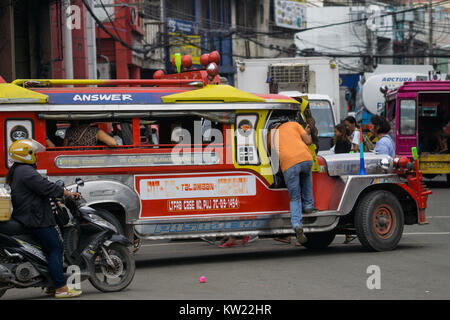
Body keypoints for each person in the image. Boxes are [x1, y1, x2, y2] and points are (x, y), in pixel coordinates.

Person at [6, 139, 82, 298]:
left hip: (26, 215)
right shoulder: (26, 171)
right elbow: (45, 187)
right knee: (56, 248)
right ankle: (60, 288)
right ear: (24, 156)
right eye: (32, 153)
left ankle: (50, 284)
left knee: (47, 249)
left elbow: (41, 186)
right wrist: (66, 193)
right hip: (36, 218)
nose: (35, 156)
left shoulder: (18, 170)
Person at [269, 120, 315, 246]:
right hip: (306, 158)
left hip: (289, 164)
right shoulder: (294, 124)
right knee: (306, 180)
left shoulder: (271, 134)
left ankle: (296, 225)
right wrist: (308, 132)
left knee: (294, 197)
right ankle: (309, 206)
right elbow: (308, 141)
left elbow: (272, 158)